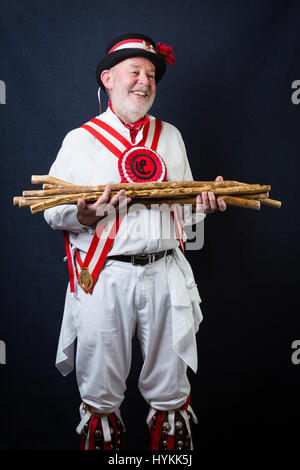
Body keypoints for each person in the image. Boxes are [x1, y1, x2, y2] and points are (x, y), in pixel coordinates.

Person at [44, 33, 226, 451]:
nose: (144, 81)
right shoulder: (81, 140)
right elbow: (53, 210)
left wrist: (205, 206)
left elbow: (182, 213)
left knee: (171, 389)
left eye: (151, 74)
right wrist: (82, 214)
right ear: (108, 78)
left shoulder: (171, 137)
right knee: (100, 391)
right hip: (104, 277)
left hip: (165, 272)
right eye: (135, 72)